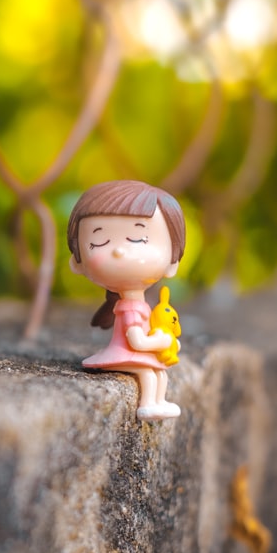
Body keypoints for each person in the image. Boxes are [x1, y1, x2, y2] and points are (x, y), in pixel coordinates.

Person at [66, 180, 186, 421]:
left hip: (137, 351)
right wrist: (160, 342)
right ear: (77, 262)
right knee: (149, 374)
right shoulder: (130, 307)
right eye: (99, 241)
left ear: (173, 261)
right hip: (125, 352)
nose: (118, 251)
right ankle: (148, 405)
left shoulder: (140, 304)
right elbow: (136, 340)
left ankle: (159, 401)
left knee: (160, 373)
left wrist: (165, 340)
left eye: (138, 239)